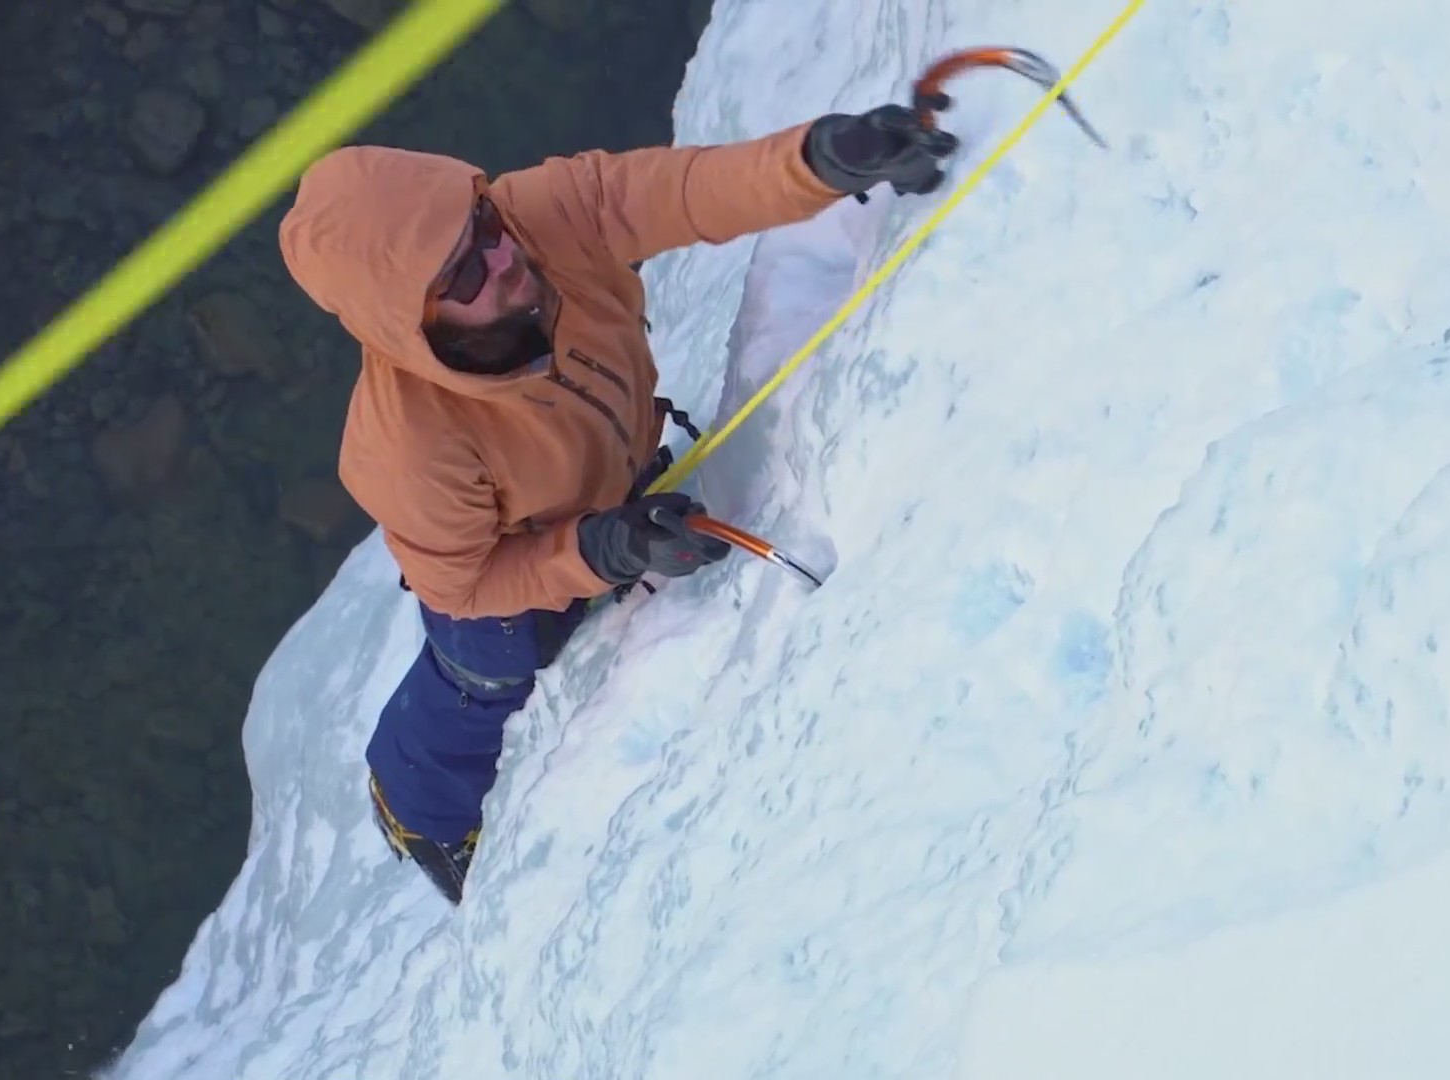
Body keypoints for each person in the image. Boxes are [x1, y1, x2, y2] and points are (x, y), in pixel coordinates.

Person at [276, 101, 959, 904]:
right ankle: (416, 805)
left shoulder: (544, 218)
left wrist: (819, 163)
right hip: (490, 576)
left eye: (482, 223)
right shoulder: (410, 448)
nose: (501, 258)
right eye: (460, 274)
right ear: (411, 325)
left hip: (605, 496)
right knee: (483, 683)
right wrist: (596, 551)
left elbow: (689, 192)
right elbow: (461, 585)